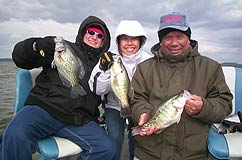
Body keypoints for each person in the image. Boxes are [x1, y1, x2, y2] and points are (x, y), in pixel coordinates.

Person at [0, 15, 116, 160]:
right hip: (44, 109)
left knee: (107, 148)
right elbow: (20, 59)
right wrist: (36, 46)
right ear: (83, 33)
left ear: (103, 42)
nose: (94, 37)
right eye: (90, 32)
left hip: (79, 119)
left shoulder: (104, 63)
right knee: (14, 134)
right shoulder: (61, 48)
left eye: (100, 36)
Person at [130, 12, 233, 160]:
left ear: (188, 38)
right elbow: (136, 99)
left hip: (192, 155)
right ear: (161, 41)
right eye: (168, 37)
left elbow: (224, 105)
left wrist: (203, 107)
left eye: (180, 36)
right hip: (148, 153)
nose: (174, 42)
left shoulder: (211, 67)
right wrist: (143, 113)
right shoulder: (144, 68)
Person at [88, 20, 153, 160]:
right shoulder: (109, 58)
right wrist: (104, 69)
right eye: (125, 39)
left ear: (141, 41)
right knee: (114, 139)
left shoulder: (149, 61)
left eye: (134, 39)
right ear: (118, 41)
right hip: (114, 106)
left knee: (138, 140)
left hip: (139, 107)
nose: (129, 43)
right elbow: (97, 90)